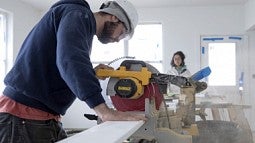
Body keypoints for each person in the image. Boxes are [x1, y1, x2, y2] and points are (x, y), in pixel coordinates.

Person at [0, 0, 146, 142]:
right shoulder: (77, 14)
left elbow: (61, 65)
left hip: (40, 116)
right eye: (123, 33)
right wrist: (105, 112)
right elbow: (70, 61)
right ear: (115, 17)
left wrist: (91, 73)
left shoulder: (79, 20)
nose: (118, 40)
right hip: (23, 115)